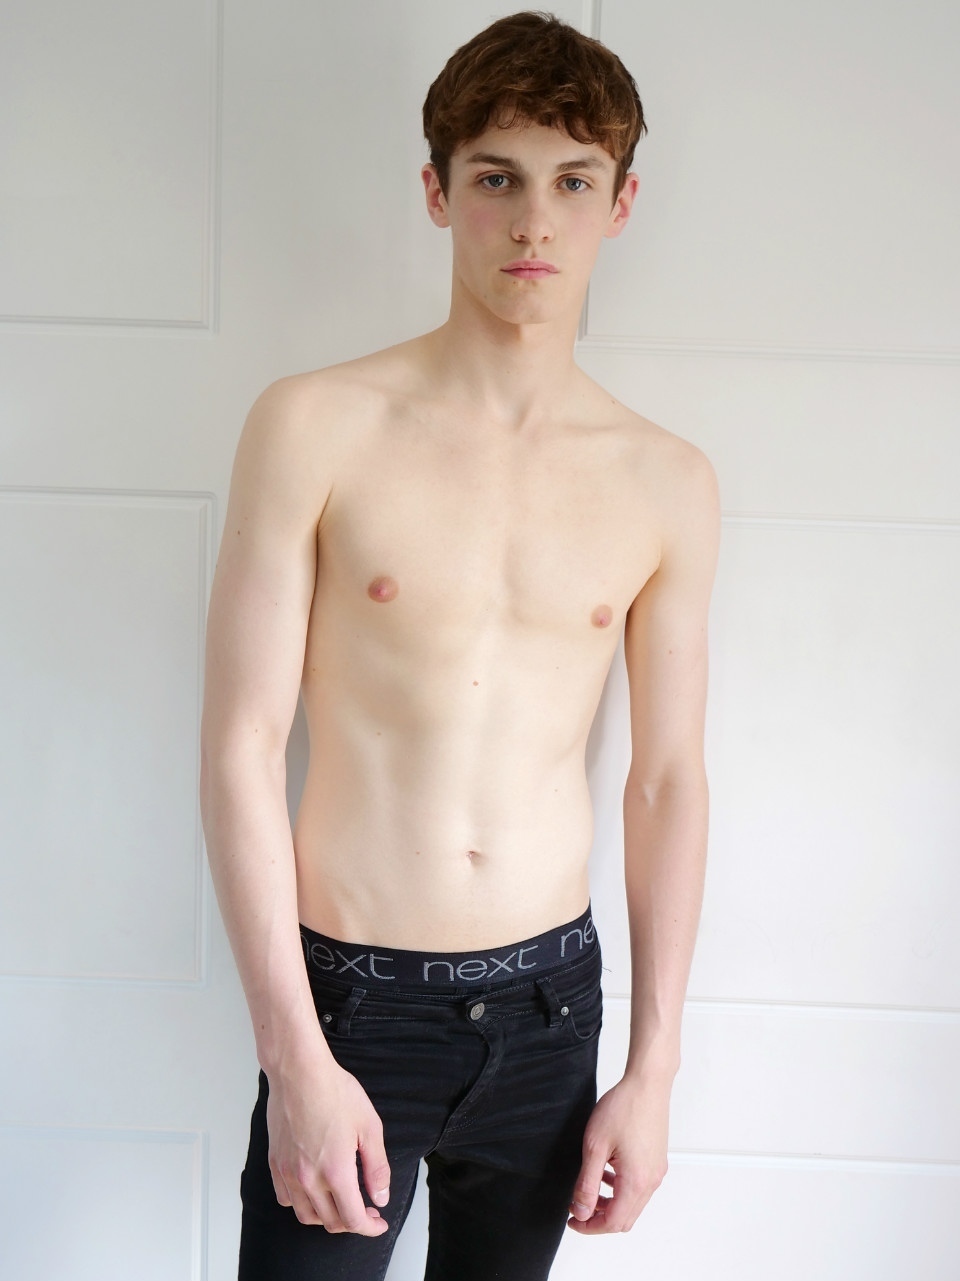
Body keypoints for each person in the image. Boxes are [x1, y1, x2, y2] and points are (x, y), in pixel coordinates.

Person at [200, 11, 720, 1280]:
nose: (534, 221)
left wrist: (651, 1070)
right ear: (437, 193)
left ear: (621, 203)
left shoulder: (667, 480)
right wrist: (294, 1054)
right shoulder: (314, 425)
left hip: (552, 1012)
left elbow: (666, 782)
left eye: (573, 182)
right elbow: (241, 746)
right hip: (353, 1006)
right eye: (497, 179)